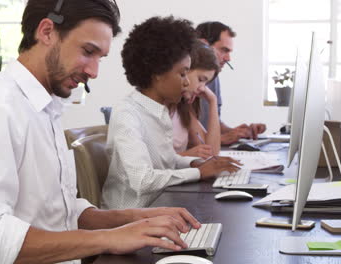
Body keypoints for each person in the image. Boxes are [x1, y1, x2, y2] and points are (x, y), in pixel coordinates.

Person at [0, 1, 203, 263]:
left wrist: (134, 219)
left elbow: (59, 213)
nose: (94, 71)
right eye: (88, 51)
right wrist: (109, 239)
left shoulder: (42, 108)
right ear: (46, 31)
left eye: (100, 57)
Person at [101, 16, 240, 210]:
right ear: (158, 72)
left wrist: (199, 163)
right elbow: (142, 180)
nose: (186, 82)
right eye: (182, 73)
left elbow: (168, 160)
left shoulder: (159, 110)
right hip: (130, 217)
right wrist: (199, 172)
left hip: (159, 207)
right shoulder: (128, 114)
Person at [196, 21, 266, 145]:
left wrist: (237, 132)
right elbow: (184, 133)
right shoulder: (186, 80)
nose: (228, 58)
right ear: (203, 45)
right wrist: (221, 139)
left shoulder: (214, 78)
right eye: (224, 50)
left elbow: (213, 123)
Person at [171, 40, 221, 159]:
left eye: (206, 83)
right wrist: (185, 155)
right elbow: (151, 163)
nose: (202, 88)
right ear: (185, 69)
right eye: (201, 79)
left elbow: (212, 152)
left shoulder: (182, 108)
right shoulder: (157, 105)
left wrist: (213, 101)